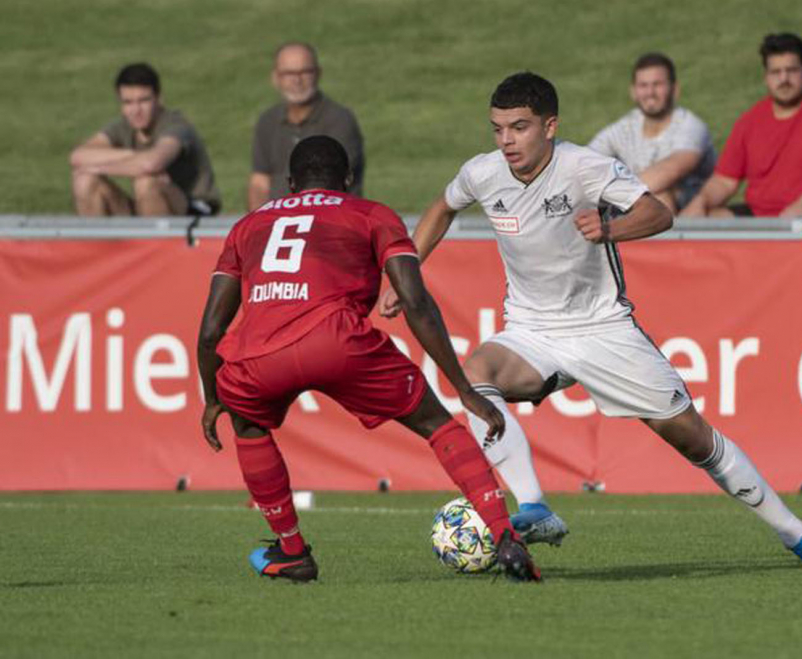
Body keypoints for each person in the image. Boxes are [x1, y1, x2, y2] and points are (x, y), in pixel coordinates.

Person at [378, 72, 802, 568]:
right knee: (476, 375)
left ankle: (798, 535)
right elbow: (442, 207)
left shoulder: (586, 168)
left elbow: (659, 214)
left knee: (692, 437)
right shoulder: (483, 172)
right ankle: (534, 507)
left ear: (550, 126)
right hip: (531, 330)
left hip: (602, 328)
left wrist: (609, 228)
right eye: (497, 129)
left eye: (518, 128)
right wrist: (406, 272)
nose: (506, 141)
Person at [197, 135, 540, 583]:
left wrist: (212, 396)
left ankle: (292, 551)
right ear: (348, 180)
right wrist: (464, 387)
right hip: (339, 343)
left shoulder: (247, 226)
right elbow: (414, 301)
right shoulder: (371, 214)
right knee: (436, 424)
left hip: (260, 354)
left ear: (289, 183)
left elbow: (209, 332)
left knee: (247, 423)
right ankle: (503, 536)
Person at [681, 33, 802, 218]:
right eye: (776, 72)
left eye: (792, 70)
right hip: (763, 216)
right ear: (766, 76)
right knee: (707, 221)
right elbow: (725, 181)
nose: (784, 79)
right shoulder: (750, 121)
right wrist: (701, 202)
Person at [70, 63, 220, 216]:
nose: (136, 110)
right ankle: (98, 240)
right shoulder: (123, 126)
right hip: (148, 208)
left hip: (195, 211)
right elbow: (78, 156)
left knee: (146, 182)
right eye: (128, 102)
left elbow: (152, 163)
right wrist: (134, 157)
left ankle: (155, 240)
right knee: (85, 180)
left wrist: (98, 167)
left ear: (159, 99)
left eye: (143, 100)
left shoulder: (176, 125)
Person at [589, 52, 715, 211]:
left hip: (694, 220)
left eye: (658, 84)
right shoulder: (624, 128)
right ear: (633, 91)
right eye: (643, 85)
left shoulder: (691, 126)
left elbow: (672, 170)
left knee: (658, 198)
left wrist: (612, 198)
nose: (650, 92)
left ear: (674, 89)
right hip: (637, 211)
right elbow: (587, 161)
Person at [247, 42, 365, 210]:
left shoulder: (340, 120)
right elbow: (259, 183)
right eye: (289, 73)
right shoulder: (267, 121)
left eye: (305, 72)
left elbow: (330, 184)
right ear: (275, 78)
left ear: (318, 74)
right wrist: (257, 222)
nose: (297, 80)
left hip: (331, 220)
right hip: (275, 223)